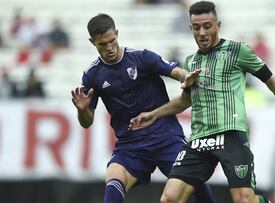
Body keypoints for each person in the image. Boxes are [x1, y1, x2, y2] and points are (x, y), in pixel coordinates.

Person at [129, 1, 275, 203]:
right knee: (169, 199)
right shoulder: (191, 61)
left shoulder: (238, 51)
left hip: (231, 134)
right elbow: (185, 101)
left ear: (218, 25)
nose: (202, 32)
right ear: (190, 28)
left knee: (244, 200)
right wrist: (152, 115)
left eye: (207, 26)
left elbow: (271, 80)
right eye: (196, 27)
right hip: (200, 139)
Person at [70, 13, 215, 203]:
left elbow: (176, 72)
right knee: (113, 179)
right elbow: (87, 122)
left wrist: (186, 76)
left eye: (112, 41)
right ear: (92, 42)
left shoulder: (141, 57)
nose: (110, 48)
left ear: (117, 33)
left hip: (165, 137)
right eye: (102, 44)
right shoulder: (92, 75)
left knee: (193, 183)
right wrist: (82, 110)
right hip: (131, 145)